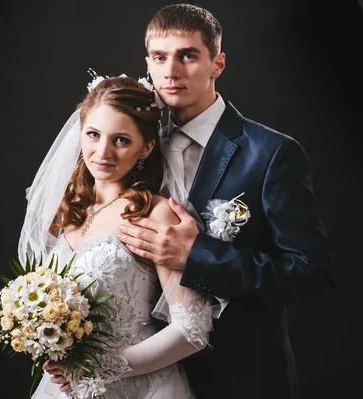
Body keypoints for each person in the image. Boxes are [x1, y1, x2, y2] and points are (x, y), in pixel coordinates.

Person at [106, 4, 335, 399]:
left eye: (188, 55)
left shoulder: (272, 153)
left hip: (238, 376)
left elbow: (311, 275)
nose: (171, 71)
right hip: (145, 377)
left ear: (218, 63)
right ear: (148, 62)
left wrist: (198, 256)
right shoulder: (132, 147)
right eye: (160, 57)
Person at [18, 75, 227, 399]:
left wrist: (101, 365)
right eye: (93, 134)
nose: (102, 152)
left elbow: (193, 330)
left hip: (139, 387)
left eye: (121, 140)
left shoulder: (156, 214)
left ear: (146, 147)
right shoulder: (69, 210)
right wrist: (45, 342)